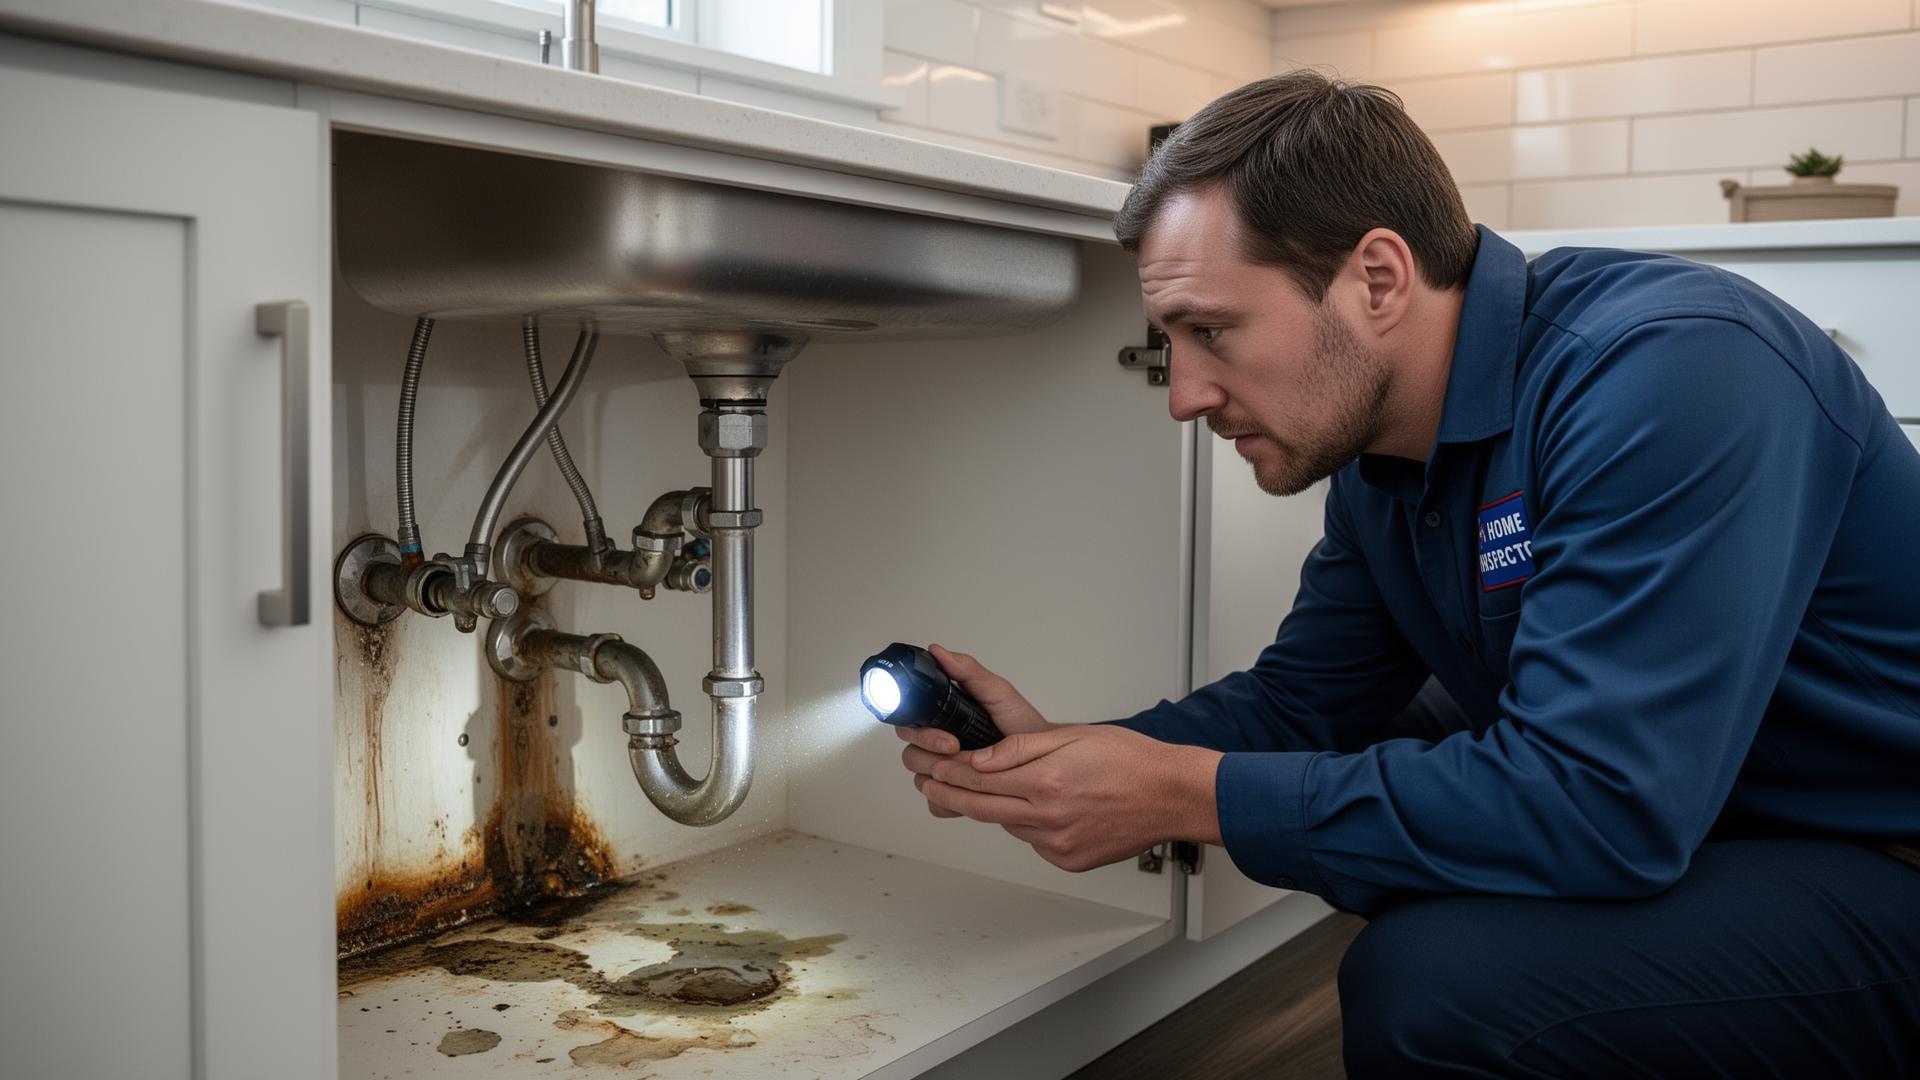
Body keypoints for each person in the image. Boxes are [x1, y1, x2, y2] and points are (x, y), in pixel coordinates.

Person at [894, 71, 1920, 1076]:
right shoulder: (1388, 458)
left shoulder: (1673, 368)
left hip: (1882, 850)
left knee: (1437, 987)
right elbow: (1307, 706)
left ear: (1378, 278)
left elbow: (1603, 805)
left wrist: (1181, 794)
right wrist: (1077, 756)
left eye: (1212, 330)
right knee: (1382, 780)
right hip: (1722, 810)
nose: (1186, 395)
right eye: (1170, 343)